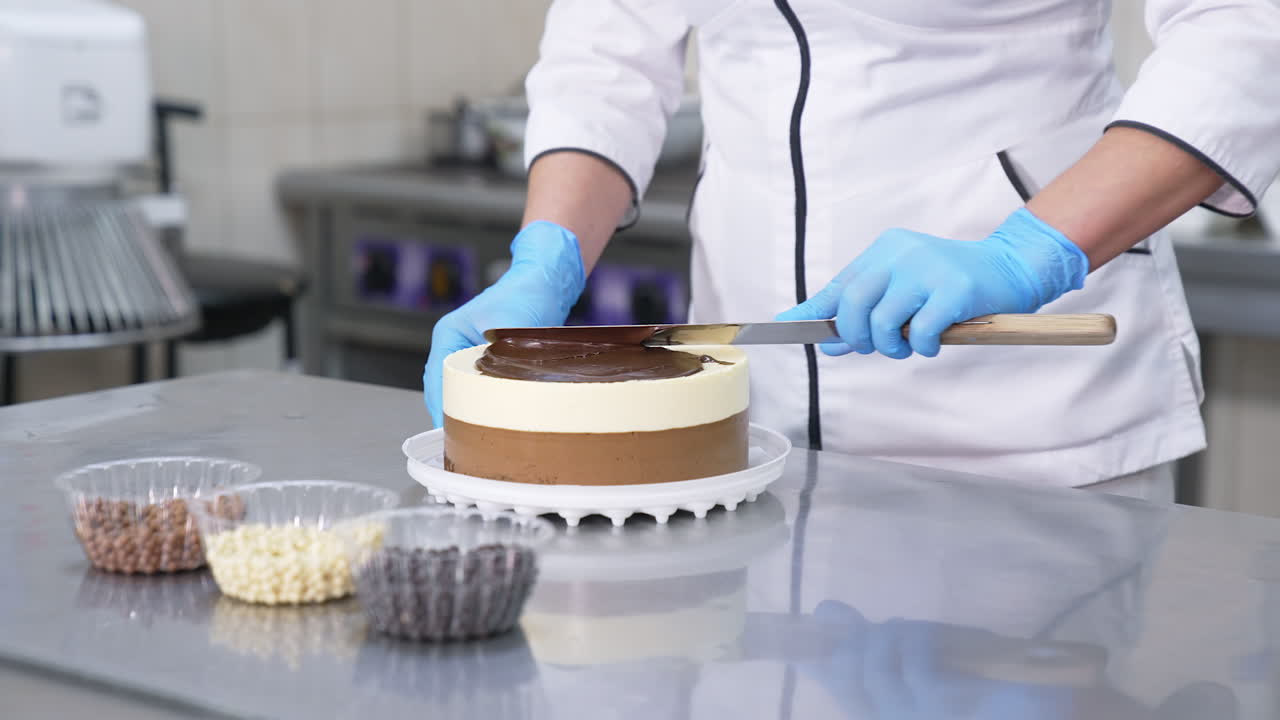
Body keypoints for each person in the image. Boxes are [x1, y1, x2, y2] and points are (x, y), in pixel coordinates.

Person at [425, 1, 1280, 500]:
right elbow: (605, 52)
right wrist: (547, 257)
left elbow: (1245, 30)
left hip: (1031, 427)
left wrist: (1029, 251)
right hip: (750, 436)